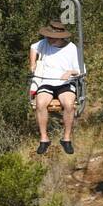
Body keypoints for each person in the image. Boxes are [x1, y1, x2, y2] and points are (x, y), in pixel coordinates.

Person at [29, 20, 81, 156]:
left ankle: (66, 138)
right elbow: (33, 47)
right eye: (47, 36)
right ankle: (44, 138)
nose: (48, 39)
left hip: (64, 83)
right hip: (46, 81)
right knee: (40, 103)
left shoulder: (71, 48)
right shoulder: (44, 43)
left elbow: (80, 69)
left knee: (69, 104)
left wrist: (69, 72)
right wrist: (33, 63)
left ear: (60, 37)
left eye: (51, 37)